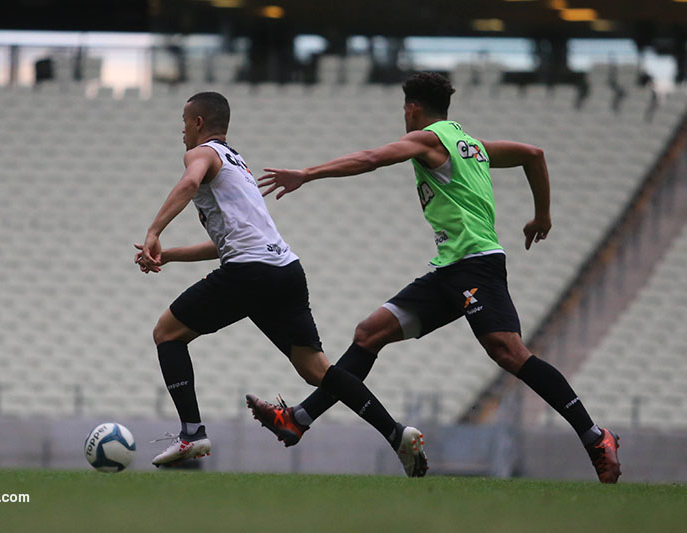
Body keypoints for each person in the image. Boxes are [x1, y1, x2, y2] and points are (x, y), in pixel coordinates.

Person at [247, 72, 621, 484]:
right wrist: (542, 215)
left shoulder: (429, 139)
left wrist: (308, 173)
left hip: (475, 265)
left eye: (404, 110)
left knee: (509, 352)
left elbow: (372, 158)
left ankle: (594, 436)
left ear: (412, 109)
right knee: (369, 333)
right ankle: (298, 420)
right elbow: (533, 154)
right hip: (449, 269)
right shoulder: (471, 145)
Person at [135, 91, 427, 477]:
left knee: (166, 333)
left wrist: (154, 231)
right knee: (316, 368)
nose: (182, 131)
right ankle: (396, 434)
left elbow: (189, 184)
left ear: (199, 123)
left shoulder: (200, 155)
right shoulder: (238, 165)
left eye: (184, 122)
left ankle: (193, 433)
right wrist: (170, 253)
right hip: (285, 269)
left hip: (250, 272)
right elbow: (228, 243)